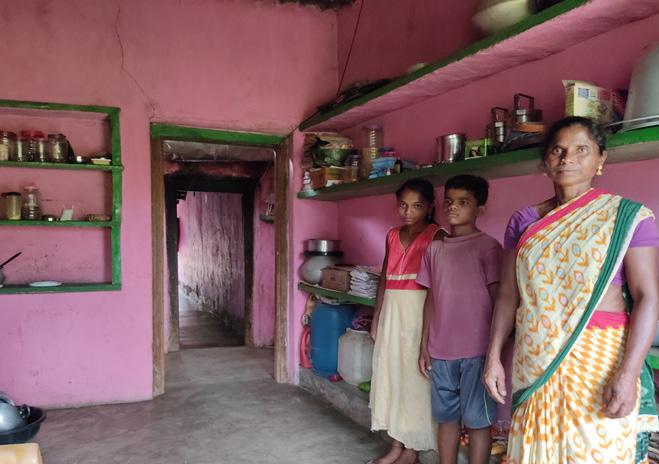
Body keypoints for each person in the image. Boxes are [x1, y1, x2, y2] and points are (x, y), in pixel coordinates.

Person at [483, 116, 659, 463]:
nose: (567, 159)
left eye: (581, 150)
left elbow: (647, 297)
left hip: (599, 359)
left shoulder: (627, 217)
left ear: (601, 159)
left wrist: (628, 374)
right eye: (557, 150)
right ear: (545, 161)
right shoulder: (524, 221)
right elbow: (507, 294)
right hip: (536, 354)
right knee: (536, 450)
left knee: (595, 450)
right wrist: (493, 358)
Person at [417, 175, 502, 464]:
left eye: (463, 202)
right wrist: (424, 345)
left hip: (478, 351)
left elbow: (499, 299)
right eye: (449, 201)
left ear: (480, 209)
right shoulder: (434, 249)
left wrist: (495, 350)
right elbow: (431, 299)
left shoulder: (488, 247)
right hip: (441, 351)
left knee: (478, 421)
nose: (453, 207)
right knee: (446, 418)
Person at [368, 179, 444, 464]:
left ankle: (411, 449)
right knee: (392, 376)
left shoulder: (437, 235)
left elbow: (437, 286)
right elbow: (384, 278)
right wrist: (377, 316)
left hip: (418, 311)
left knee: (414, 380)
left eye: (417, 206)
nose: (408, 212)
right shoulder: (392, 235)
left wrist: (429, 332)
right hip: (392, 311)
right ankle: (396, 445)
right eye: (403, 205)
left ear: (430, 206)